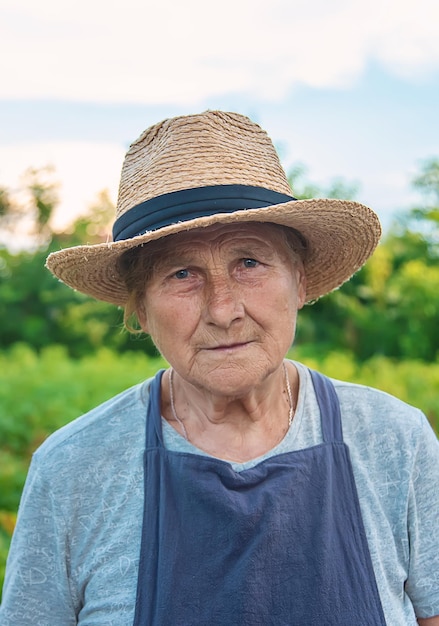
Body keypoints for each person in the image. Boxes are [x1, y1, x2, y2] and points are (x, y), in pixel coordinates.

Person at [0, 111, 438, 626]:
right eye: (182, 273)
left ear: (299, 280)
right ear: (140, 309)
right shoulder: (74, 468)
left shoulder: (395, 440)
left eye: (249, 263)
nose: (223, 309)